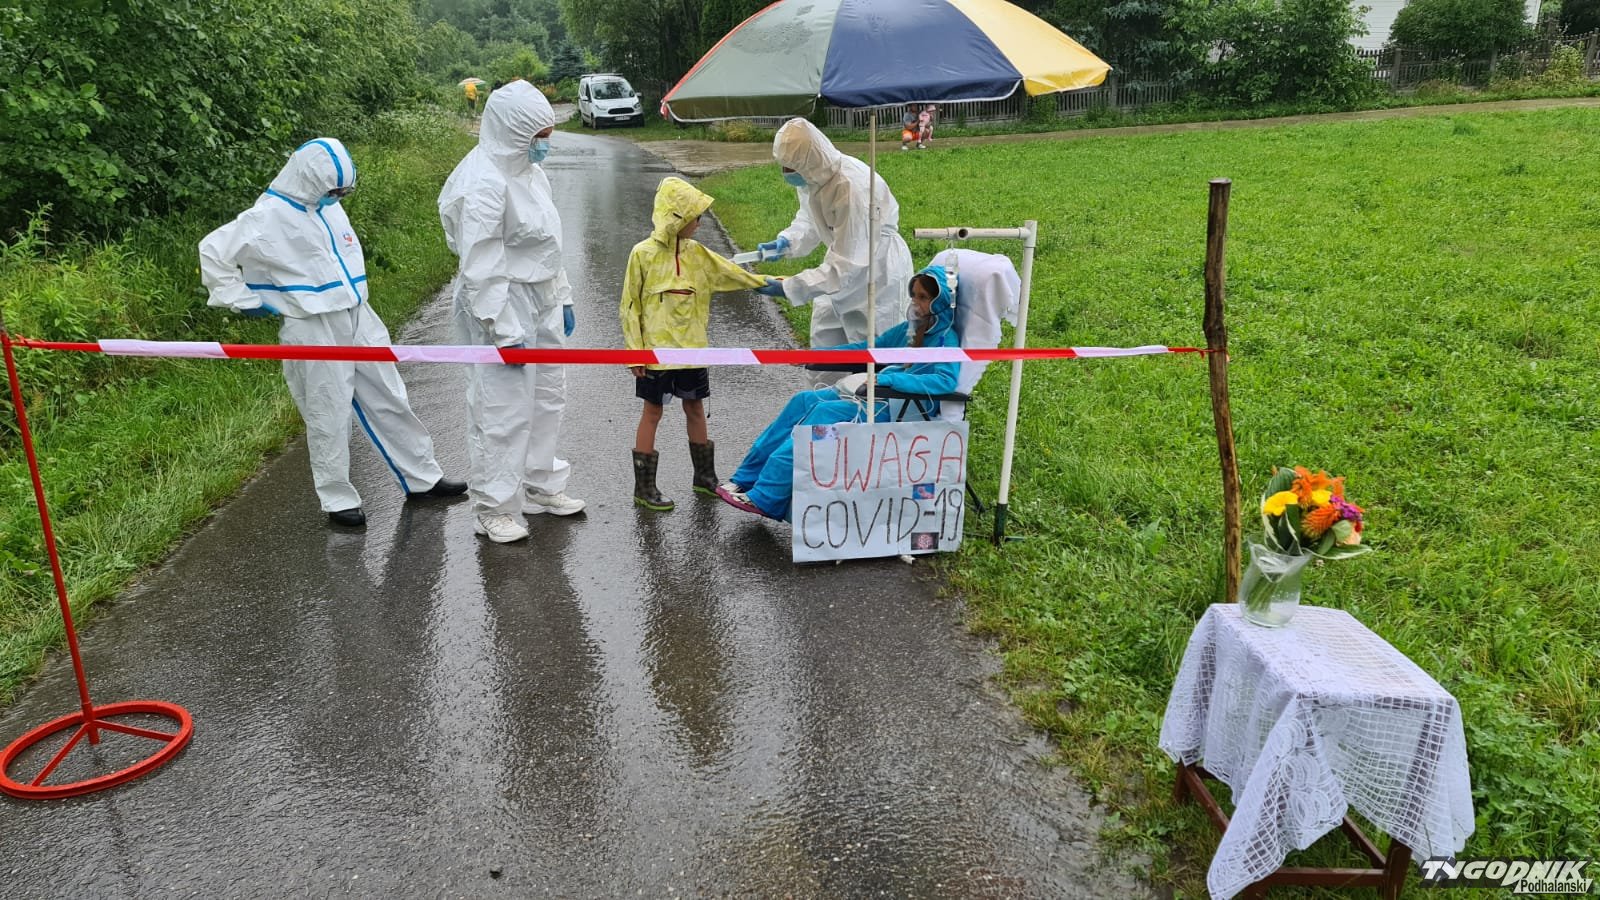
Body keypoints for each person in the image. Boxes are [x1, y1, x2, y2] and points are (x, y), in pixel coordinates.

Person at [199, 138, 466, 528]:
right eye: (334, 190)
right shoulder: (266, 215)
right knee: (328, 409)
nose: (338, 197)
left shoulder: (328, 207)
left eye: (343, 191)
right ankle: (337, 498)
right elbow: (212, 251)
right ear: (310, 179)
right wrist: (244, 299)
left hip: (359, 315)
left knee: (390, 394)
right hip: (312, 323)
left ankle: (422, 477)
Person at [438, 80, 585, 544]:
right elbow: (481, 263)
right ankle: (494, 507)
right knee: (500, 409)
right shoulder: (482, 181)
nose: (545, 145)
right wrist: (502, 329)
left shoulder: (529, 171)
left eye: (547, 135)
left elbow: (548, 240)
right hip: (501, 302)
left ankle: (541, 483)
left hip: (541, 296)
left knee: (547, 396)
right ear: (514, 132)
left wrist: (562, 294)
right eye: (539, 136)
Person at [717, 266, 959, 521]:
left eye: (923, 297)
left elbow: (945, 380)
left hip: (903, 407)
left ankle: (767, 496)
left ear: (941, 302)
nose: (916, 303)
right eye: (914, 295)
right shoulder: (909, 329)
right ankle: (745, 479)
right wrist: (815, 356)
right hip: (879, 394)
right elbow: (866, 350)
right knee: (804, 400)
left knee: (824, 411)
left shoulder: (947, 340)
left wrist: (888, 378)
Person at [621, 177, 767, 512]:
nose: (700, 222)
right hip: (655, 354)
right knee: (653, 411)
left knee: (696, 408)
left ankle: (704, 476)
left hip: (693, 350)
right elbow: (630, 305)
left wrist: (767, 284)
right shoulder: (642, 254)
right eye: (694, 216)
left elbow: (730, 273)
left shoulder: (698, 254)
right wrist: (635, 352)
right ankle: (644, 487)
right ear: (676, 218)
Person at [753, 118, 913, 349]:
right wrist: (787, 241)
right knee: (824, 343)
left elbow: (847, 265)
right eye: (784, 166)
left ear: (809, 161)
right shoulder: (814, 177)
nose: (785, 172)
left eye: (790, 167)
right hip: (841, 265)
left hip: (875, 272)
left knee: (871, 351)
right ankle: (820, 376)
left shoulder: (851, 188)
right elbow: (811, 218)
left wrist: (791, 287)